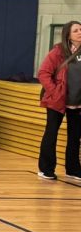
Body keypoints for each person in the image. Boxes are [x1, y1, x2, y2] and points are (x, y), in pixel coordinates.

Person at [36, 20, 81, 182]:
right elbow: (43, 73)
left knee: (75, 136)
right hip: (58, 101)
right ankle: (46, 169)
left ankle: (73, 169)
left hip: (77, 102)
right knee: (51, 133)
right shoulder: (58, 51)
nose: (80, 32)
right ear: (68, 35)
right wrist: (55, 92)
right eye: (76, 30)